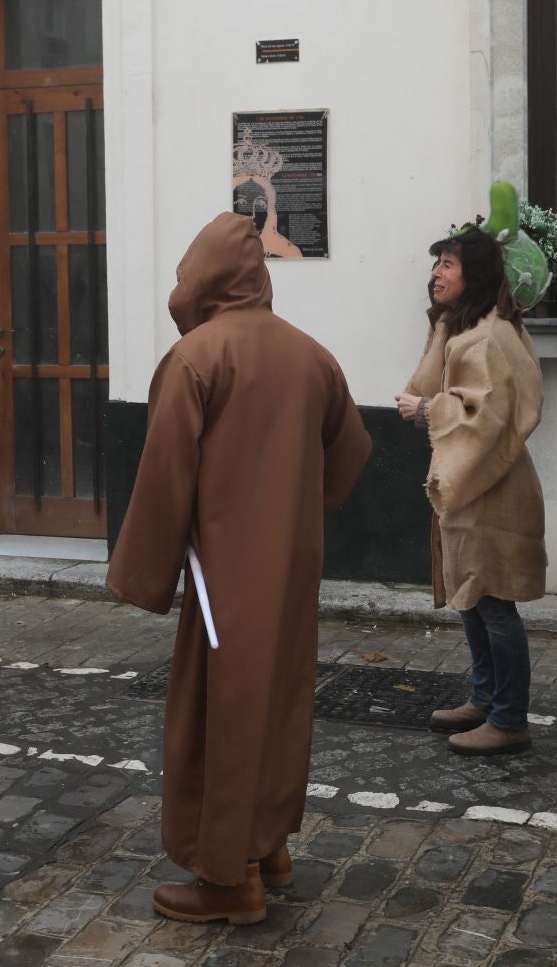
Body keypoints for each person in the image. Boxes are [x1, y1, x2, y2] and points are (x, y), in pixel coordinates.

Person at [107, 212, 372, 926]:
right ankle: (269, 846)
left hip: (222, 573)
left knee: (217, 716)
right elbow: (350, 455)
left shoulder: (197, 356)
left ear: (205, 275)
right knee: (279, 703)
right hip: (290, 566)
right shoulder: (311, 356)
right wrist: (294, 513)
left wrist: (142, 573)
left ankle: (229, 881)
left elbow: (166, 478)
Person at [396, 194, 547, 757]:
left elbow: (490, 415)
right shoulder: (469, 327)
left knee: (492, 601)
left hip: (493, 487)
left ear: (477, 275)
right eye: (436, 263)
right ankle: (485, 699)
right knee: (472, 595)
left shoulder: (488, 337)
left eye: (449, 265)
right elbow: (436, 381)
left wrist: (426, 412)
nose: (436, 273)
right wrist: (440, 321)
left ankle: (508, 718)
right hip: (474, 483)